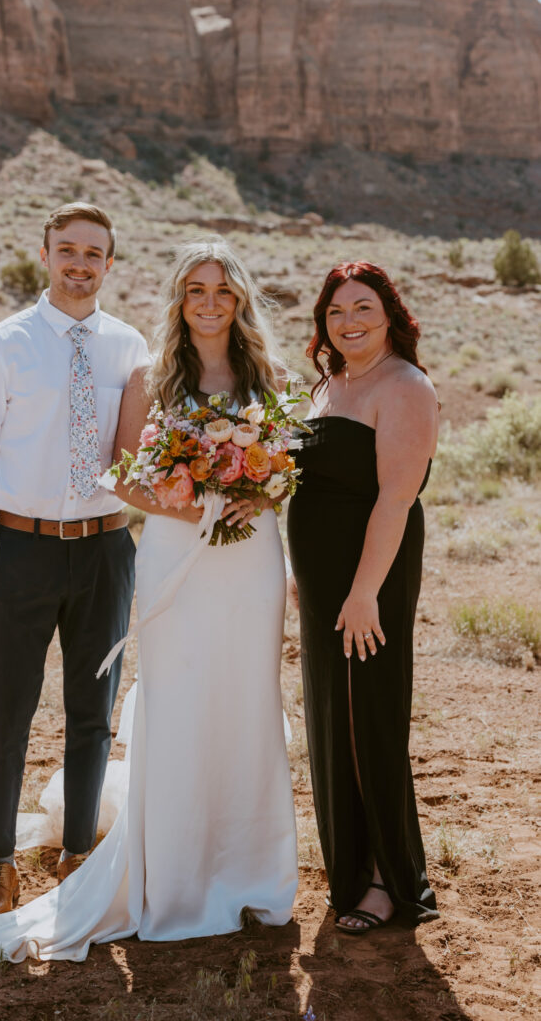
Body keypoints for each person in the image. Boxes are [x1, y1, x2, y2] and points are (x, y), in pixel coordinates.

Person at [0, 238, 298, 972]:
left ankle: (250, 870)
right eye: (194, 289)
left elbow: (287, 469)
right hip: (173, 555)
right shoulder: (150, 373)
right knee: (175, 700)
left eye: (221, 290)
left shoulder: (274, 378)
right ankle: (160, 870)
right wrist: (192, 496)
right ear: (176, 298)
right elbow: (122, 476)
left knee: (245, 702)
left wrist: (251, 487)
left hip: (248, 559)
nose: (207, 301)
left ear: (239, 298)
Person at [0, 203, 149, 917]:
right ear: (45, 254)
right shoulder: (2, 345)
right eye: (68, 250)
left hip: (105, 551)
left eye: (94, 253)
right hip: (19, 552)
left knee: (92, 711)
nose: (80, 264)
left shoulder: (129, 347)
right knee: (8, 712)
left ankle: (78, 855)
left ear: (111, 263)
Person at [287, 261, 440, 934]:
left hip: (368, 579)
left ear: (390, 317)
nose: (348, 322)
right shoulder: (329, 384)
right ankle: (348, 868)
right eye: (336, 312)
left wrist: (363, 593)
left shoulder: (404, 386)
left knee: (367, 718)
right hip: (325, 583)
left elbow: (395, 498)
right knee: (331, 717)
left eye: (363, 310)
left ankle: (386, 881)